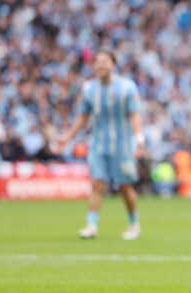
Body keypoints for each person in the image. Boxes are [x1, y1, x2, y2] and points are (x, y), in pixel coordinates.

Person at [55, 50, 145, 240]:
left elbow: (134, 115)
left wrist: (139, 139)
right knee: (96, 184)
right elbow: (82, 117)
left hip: (121, 146)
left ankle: (133, 223)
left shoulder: (127, 87)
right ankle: (91, 226)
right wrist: (67, 137)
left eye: (105, 61)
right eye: (97, 62)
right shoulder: (89, 89)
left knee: (124, 186)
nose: (100, 65)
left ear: (113, 64)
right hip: (98, 145)